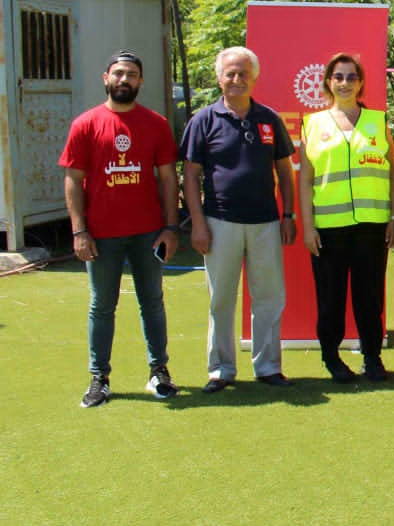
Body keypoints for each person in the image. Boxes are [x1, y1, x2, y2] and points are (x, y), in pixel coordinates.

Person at [61, 49, 181, 407]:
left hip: (148, 233)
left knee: (152, 302)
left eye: (131, 75)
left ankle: (158, 371)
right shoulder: (85, 124)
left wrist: (171, 227)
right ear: (106, 78)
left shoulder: (156, 124)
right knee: (102, 306)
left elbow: (167, 179)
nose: (124, 80)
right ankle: (99, 378)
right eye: (118, 74)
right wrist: (79, 231)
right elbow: (72, 180)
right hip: (101, 235)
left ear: (140, 81)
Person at [181, 46, 296, 393]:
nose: (236, 79)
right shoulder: (203, 120)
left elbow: (284, 171)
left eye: (243, 73)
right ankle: (221, 369)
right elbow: (189, 175)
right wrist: (197, 223)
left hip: (265, 223)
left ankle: (268, 366)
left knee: (268, 296)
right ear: (219, 77)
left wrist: (288, 213)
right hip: (219, 223)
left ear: (254, 78)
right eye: (230, 73)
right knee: (221, 300)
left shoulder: (268, 118)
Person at [299, 53, 394, 383]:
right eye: (338, 77)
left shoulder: (377, 121)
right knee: (331, 298)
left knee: (369, 298)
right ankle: (331, 356)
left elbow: (393, 176)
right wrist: (309, 227)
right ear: (328, 81)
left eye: (351, 77)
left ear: (360, 83)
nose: (345, 83)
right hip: (328, 229)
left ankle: (372, 357)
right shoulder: (311, 124)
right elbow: (305, 180)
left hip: (371, 227)